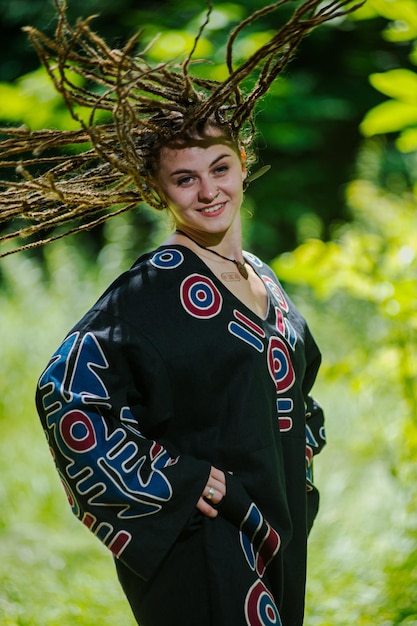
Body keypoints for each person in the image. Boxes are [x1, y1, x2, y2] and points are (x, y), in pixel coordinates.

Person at [1, 1, 360, 624]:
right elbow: (65, 394)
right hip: (205, 549)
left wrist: (296, 456)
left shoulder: (264, 280)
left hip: (274, 534)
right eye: (184, 179)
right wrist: (176, 478)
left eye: (220, 168)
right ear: (156, 191)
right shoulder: (154, 290)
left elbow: (294, 390)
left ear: (243, 164)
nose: (209, 190)